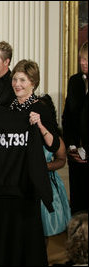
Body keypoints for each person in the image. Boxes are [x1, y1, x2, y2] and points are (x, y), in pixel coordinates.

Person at [0, 59, 60, 265]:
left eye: (22, 80)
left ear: (33, 83)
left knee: (26, 229)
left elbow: (54, 145)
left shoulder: (40, 108)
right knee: (5, 228)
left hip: (26, 181)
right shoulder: (9, 107)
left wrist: (39, 125)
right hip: (5, 180)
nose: (17, 84)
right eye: (15, 79)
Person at [39, 95, 71, 244]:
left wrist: (43, 167)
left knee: (43, 227)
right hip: (25, 182)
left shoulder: (55, 136)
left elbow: (61, 160)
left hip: (47, 183)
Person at [62, 41, 88, 215]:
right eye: (81, 59)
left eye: (87, 59)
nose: (82, 63)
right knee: (78, 203)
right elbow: (68, 117)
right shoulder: (74, 81)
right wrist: (71, 146)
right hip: (75, 154)